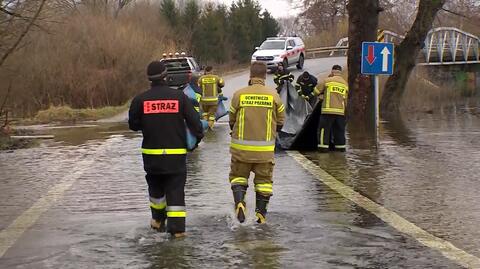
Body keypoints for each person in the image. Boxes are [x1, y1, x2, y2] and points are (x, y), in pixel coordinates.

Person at [128, 61, 204, 238]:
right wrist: (195, 142)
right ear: (165, 76)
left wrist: (149, 123)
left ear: (149, 79)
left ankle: (158, 221)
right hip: (175, 158)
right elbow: (196, 125)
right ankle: (177, 231)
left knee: (156, 190)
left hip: (152, 158)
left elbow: (133, 125)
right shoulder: (179, 98)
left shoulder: (140, 99)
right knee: (175, 192)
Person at [228, 61, 285, 224]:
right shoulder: (274, 96)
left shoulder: (239, 95)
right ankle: (261, 215)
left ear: (250, 75)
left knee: (238, 178)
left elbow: (232, 120)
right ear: (265, 76)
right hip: (264, 153)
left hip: (240, 152)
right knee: (264, 184)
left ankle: (240, 202)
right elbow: (281, 121)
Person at [316, 65, 349, 152]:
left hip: (327, 111)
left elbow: (316, 91)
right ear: (340, 72)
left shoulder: (327, 81)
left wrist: (320, 95)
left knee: (324, 130)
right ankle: (340, 149)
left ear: (332, 71)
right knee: (339, 131)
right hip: (340, 113)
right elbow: (345, 100)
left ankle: (323, 149)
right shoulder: (345, 84)